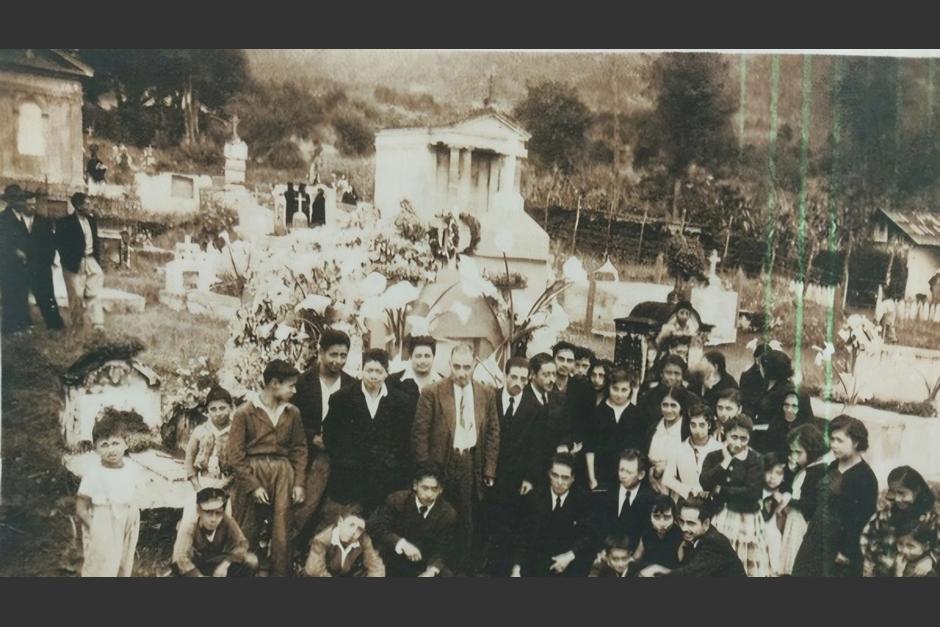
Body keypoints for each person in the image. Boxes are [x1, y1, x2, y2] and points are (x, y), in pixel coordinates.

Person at [412, 343, 500, 573]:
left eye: (467, 367)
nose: (462, 373)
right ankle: (432, 568)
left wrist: (489, 469)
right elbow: (420, 433)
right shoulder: (433, 392)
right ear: (449, 365)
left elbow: (493, 433)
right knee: (437, 517)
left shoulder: (486, 393)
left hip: (470, 463)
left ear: (474, 365)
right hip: (440, 463)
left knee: (465, 520)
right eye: (457, 367)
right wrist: (425, 472)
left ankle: (460, 570)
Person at [227, 359, 308, 577]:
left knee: (282, 530)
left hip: (283, 473)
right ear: (274, 383)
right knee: (245, 528)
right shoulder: (245, 413)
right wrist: (252, 486)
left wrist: (299, 482)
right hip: (252, 471)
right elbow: (235, 455)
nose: (294, 390)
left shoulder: (293, 413)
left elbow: (300, 449)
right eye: (290, 385)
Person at [323, 349, 413, 513]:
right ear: (361, 370)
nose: (373, 376)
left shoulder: (401, 402)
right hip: (351, 478)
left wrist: (391, 462)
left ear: (386, 373)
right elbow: (330, 436)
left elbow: (404, 441)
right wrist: (346, 460)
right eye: (369, 370)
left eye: (379, 371)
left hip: (386, 479)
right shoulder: (341, 398)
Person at [793, 415, 879, 577]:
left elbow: (862, 520)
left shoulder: (865, 477)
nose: (833, 445)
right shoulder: (833, 466)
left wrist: (846, 551)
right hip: (815, 538)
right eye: (832, 439)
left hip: (839, 549)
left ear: (856, 442)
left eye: (839, 440)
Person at [291, 329, 354, 539]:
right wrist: (312, 438)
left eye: (343, 355)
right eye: (333, 355)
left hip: (338, 458)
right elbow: (293, 420)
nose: (338, 361)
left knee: (329, 512)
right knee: (304, 508)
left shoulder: (352, 385)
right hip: (307, 455)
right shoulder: (302, 383)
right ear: (321, 352)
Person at [483, 356, 543, 575]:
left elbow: (537, 446)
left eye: (523, 378)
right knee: (487, 518)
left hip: (516, 477)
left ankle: (503, 567)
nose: (518, 382)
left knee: (510, 523)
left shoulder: (534, 407)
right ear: (505, 376)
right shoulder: (491, 399)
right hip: (490, 473)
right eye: (514, 377)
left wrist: (529, 477)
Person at [699, 413, 771, 577]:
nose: (738, 443)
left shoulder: (755, 459)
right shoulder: (715, 456)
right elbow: (704, 482)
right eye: (734, 437)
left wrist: (721, 490)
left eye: (743, 439)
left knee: (743, 565)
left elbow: (752, 492)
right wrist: (725, 461)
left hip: (745, 518)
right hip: (719, 515)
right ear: (725, 433)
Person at [75, 415, 141, 577]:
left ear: (126, 443)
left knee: (123, 562)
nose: (111, 450)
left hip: (127, 519)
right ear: (96, 448)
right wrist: (95, 529)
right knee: (101, 565)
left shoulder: (132, 468)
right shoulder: (94, 472)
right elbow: (81, 507)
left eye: (115, 443)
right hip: (103, 519)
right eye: (104, 445)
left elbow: (134, 495)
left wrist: (131, 516)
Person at [511, 453, 596, 577]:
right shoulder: (535, 497)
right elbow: (523, 535)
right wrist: (516, 568)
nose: (559, 482)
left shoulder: (582, 500)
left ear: (573, 478)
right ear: (549, 474)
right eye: (555, 475)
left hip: (569, 564)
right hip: (537, 565)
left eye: (565, 477)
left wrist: (569, 556)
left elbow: (589, 535)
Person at [369, 463, 458, 577]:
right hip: (394, 560)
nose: (429, 494)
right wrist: (402, 544)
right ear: (415, 485)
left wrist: (431, 571)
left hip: (425, 563)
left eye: (434, 489)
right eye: (425, 488)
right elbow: (378, 529)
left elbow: (443, 549)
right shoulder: (397, 501)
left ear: (441, 490)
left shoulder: (448, 513)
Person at [0, 186, 65, 333]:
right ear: (10, 201)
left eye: (23, 199)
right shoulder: (4, 218)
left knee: (26, 295)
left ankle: (27, 324)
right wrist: (14, 252)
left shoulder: (24, 218)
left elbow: (37, 243)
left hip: (29, 264)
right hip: (9, 264)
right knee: (11, 295)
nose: (22, 202)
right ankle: (11, 327)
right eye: (19, 199)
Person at [860, 465, 939, 577]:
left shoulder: (933, 514)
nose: (897, 499)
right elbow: (867, 538)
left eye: (902, 493)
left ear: (916, 490)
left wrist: (931, 558)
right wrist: (885, 561)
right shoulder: (886, 512)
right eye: (893, 492)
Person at [639, 496, 746, 577]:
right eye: (682, 521)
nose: (684, 528)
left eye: (691, 523)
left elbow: (689, 574)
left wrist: (659, 571)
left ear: (706, 524)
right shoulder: (696, 536)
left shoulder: (714, 543)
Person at [172, 487, 258, 577]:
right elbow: (179, 557)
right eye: (208, 512)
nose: (213, 519)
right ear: (199, 511)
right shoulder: (190, 525)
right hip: (193, 566)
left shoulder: (226, 520)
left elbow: (242, 544)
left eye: (218, 513)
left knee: (251, 560)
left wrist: (226, 563)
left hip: (215, 562)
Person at [779, 423, 829, 575]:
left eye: (798, 452)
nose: (794, 456)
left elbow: (811, 504)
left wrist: (788, 501)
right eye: (792, 451)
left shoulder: (818, 472)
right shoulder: (805, 469)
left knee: (798, 564)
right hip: (794, 521)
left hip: (802, 525)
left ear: (812, 450)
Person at [585, 369, 644, 491]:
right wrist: (592, 479)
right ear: (609, 387)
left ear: (630, 390)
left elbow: (640, 450)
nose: (619, 394)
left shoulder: (637, 414)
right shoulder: (598, 412)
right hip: (601, 475)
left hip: (628, 477)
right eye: (615, 389)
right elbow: (590, 448)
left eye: (624, 390)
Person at [57, 192, 104, 331]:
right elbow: (60, 245)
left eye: (90, 203)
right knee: (76, 296)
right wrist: (67, 261)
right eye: (87, 204)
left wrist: (97, 260)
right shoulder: (65, 222)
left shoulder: (92, 221)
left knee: (94, 292)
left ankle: (98, 324)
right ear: (78, 206)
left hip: (91, 260)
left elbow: (96, 241)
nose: (90, 206)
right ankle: (77, 326)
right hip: (73, 264)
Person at [661, 403, 723, 502]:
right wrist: (687, 491)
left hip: (711, 504)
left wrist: (710, 491)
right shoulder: (678, 448)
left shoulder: (719, 448)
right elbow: (667, 478)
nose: (697, 430)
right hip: (684, 503)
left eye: (702, 425)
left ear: (709, 425)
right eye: (693, 425)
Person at [526, 353, 574, 478]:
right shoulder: (522, 399)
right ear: (533, 374)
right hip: (527, 472)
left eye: (554, 374)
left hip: (552, 472)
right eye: (546, 375)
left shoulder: (559, 399)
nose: (552, 379)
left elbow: (567, 431)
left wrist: (564, 445)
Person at [596, 450, 656, 549]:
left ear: (641, 475)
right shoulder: (607, 493)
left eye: (628, 472)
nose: (623, 475)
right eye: (621, 470)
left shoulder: (650, 499)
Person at [304, 503, 385, 577]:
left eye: (359, 529)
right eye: (351, 525)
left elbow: (376, 566)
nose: (354, 532)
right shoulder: (322, 539)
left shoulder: (364, 540)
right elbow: (314, 571)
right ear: (340, 521)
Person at [184, 385, 235, 492]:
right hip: (202, 484)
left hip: (231, 486)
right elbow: (189, 459)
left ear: (231, 407)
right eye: (213, 409)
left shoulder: (238, 432)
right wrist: (198, 487)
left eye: (222, 408)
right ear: (207, 411)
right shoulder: (200, 431)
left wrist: (226, 483)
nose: (218, 413)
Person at [646, 387, 690, 495]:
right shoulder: (653, 429)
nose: (668, 410)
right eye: (665, 405)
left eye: (673, 405)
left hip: (679, 492)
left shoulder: (687, 431)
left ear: (681, 407)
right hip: (652, 488)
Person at [636, 354, 691, 434]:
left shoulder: (692, 401)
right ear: (661, 374)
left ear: (682, 376)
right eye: (668, 373)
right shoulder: (647, 399)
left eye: (677, 373)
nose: (672, 377)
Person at [632, 495, 683, 570]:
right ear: (650, 517)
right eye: (656, 517)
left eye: (667, 517)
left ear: (674, 517)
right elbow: (635, 559)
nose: (662, 523)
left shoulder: (680, 536)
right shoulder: (647, 533)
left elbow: (683, 569)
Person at [763, 383, 814, 456]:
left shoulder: (810, 431)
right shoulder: (775, 424)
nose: (789, 410)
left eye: (794, 406)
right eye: (786, 405)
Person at [388, 335, 442, 399]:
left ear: (433, 357)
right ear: (410, 356)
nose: (423, 361)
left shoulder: (443, 382)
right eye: (418, 356)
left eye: (427, 356)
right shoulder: (393, 381)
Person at [761, 452, 789, 576]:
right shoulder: (758, 490)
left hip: (773, 539)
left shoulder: (784, 494)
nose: (772, 477)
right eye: (768, 472)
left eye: (778, 473)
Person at [739, 342, 770, 419]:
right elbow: (745, 400)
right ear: (756, 360)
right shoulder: (747, 376)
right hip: (752, 413)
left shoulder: (775, 375)